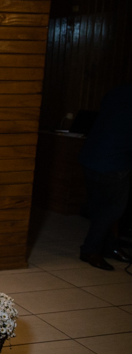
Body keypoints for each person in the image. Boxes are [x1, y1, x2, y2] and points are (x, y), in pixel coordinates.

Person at [77, 83, 132, 271]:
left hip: (91, 156)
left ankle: (109, 247)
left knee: (99, 207)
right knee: (112, 210)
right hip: (113, 162)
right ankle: (90, 250)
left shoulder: (118, 91)